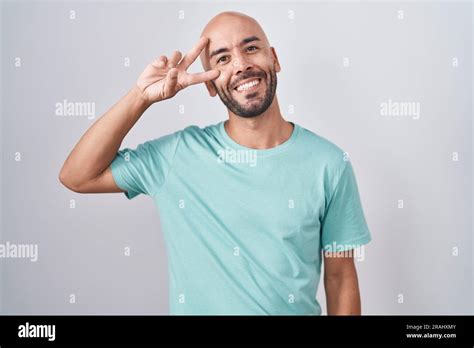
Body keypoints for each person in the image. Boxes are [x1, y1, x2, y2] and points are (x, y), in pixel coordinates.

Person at [59, 11, 372, 315]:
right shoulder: (177, 155)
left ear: (274, 58)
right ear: (209, 84)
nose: (241, 65)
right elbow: (78, 176)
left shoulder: (329, 164)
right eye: (222, 59)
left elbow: (340, 277)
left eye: (251, 48)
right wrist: (140, 96)